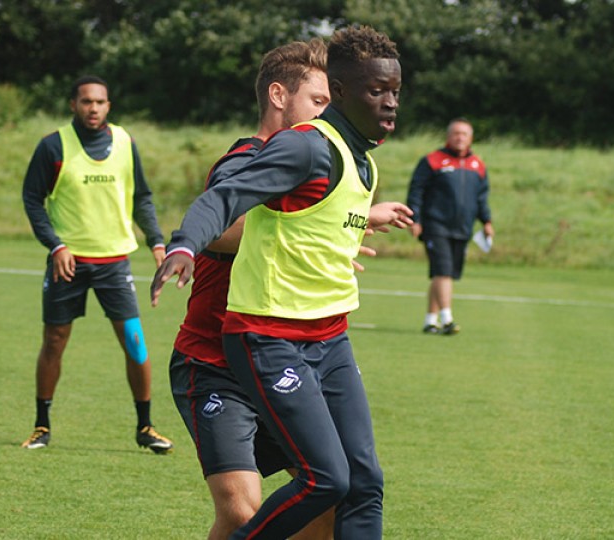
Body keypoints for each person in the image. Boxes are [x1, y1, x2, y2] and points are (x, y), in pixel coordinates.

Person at [152, 26, 410, 539]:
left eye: (395, 92)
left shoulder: (353, 158)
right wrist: (185, 245)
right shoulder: (288, 150)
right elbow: (224, 208)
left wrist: (343, 230)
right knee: (259, 504)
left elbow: (304, 218)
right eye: (318, 99)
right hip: (235, 353)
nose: (390, 103)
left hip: (322, 339)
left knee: (352, 488)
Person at [169, 39, 335, 539]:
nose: (328, 115)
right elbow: (219, 229)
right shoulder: (247, 158)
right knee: (243, 512)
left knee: (329, 499)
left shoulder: (310, 169)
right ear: (279, 96)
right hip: (214, 363)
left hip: (278, 360)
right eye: (319, 101)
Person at [20, 75, 173, 454]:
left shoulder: (125, 142)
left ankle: (145, 427)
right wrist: (56, 245)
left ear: (109, 106)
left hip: (114, 262)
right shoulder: (53, 146)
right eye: (86, 101)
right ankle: (41, 425)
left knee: (135, 342)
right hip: (67, 263)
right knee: (54, 341)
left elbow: (142, 197)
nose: (93, 108)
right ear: (73, 104)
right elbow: (32, 199)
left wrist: (156, 241)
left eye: (100, 102)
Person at [406, 118, 494, 335]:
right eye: (456, 133)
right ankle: (447, 319)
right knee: (443, 271)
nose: (460, 138)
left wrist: (487, 221)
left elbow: (481, 198)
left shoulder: (478, 165)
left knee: (443, 274)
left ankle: (430, 320)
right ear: (448, 136)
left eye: (464, 134)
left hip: (462, 227)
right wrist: (415, 219)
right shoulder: (432, 160)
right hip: (435, 225)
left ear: (471, 138)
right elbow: (416, 190)